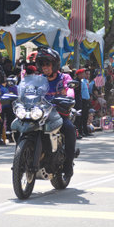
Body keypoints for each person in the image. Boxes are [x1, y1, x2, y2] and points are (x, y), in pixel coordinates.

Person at [37, 47, 76, 178]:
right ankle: (20, 159)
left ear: (55, 65)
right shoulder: (38, 79)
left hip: (58, 113)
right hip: (39, 114)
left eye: (47, 64)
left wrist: (69, 96)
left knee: (70, 129)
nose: (45, 67)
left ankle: (68, 164)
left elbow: (69, 89)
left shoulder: (64, 77)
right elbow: (28, 91)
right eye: (42, 64)